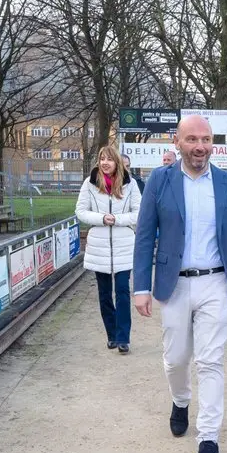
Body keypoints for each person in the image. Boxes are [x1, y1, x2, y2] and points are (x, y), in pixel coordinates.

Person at [132, 114, 227, 453]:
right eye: (192, 139)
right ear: (178, 142)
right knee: (175, 359)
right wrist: (141, 286)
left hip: (216, 283)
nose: (200, 146)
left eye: (205, 139)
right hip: (174, 284)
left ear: (212, 143)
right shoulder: (160, 180)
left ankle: (209, 438)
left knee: (211, 361)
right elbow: (144, 236)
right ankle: (180, 400)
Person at [75, 146, 143, 354]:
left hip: (124, 245)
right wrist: (101, 219)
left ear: (117, 163)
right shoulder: (90, 183)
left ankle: (123, 338)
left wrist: (118, 220)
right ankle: (112, 334)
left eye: (109, 159)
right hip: (99, 246)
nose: (105, 163)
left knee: (122, 291)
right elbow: (80, 211)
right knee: (104, 294)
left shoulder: (130, 185)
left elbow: (139, 213)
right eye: (101, 159)